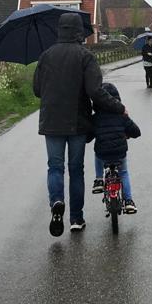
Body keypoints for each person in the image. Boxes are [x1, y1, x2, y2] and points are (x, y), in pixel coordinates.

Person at [33, 13, 124, 236]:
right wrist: (118, 107)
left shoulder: (46, 56)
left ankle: (56, 202)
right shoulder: (85, 56)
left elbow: (37, 90)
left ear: (59, 30)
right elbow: (95, 91)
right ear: (78, 32)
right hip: (77, 122)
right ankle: (76, 218)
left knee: (55, 167)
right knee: (76, 170)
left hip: (52, 122)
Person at [90, 82, 142, 213]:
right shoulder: (121, 116)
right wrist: (127, 134)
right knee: (123, 172)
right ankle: (129, 201)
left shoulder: (95, 118)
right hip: (120, 153)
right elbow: (136, 132)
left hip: (103, 153)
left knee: (97, 154)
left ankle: (99, 179)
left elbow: (88, 137)